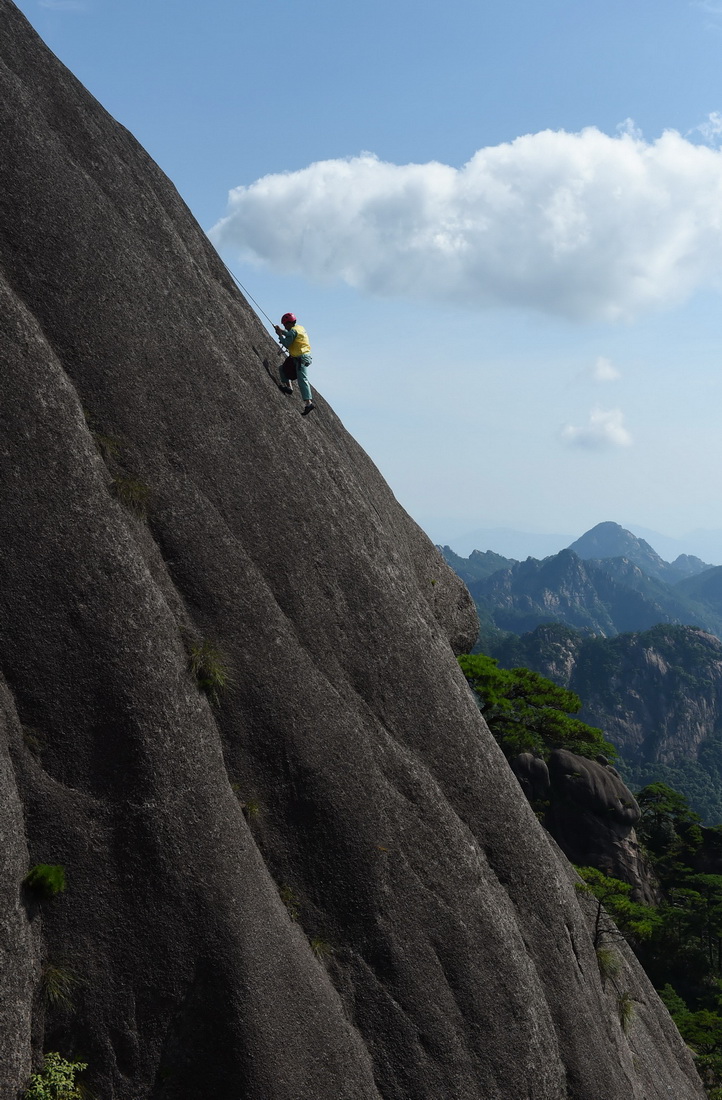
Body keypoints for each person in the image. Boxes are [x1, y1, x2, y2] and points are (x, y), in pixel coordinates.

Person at [274, 313, 316, 416]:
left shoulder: (293, 331)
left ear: (289, 323)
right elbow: (290, 334)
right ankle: (289, 388)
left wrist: (280, 335)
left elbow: (286, 343)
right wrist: (282, 331)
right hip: (299, 356)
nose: (284, 327)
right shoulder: (299, 328)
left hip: (301, 358)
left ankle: (308, 403)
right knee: (283, 369)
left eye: (285, 325)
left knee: (302, 379)